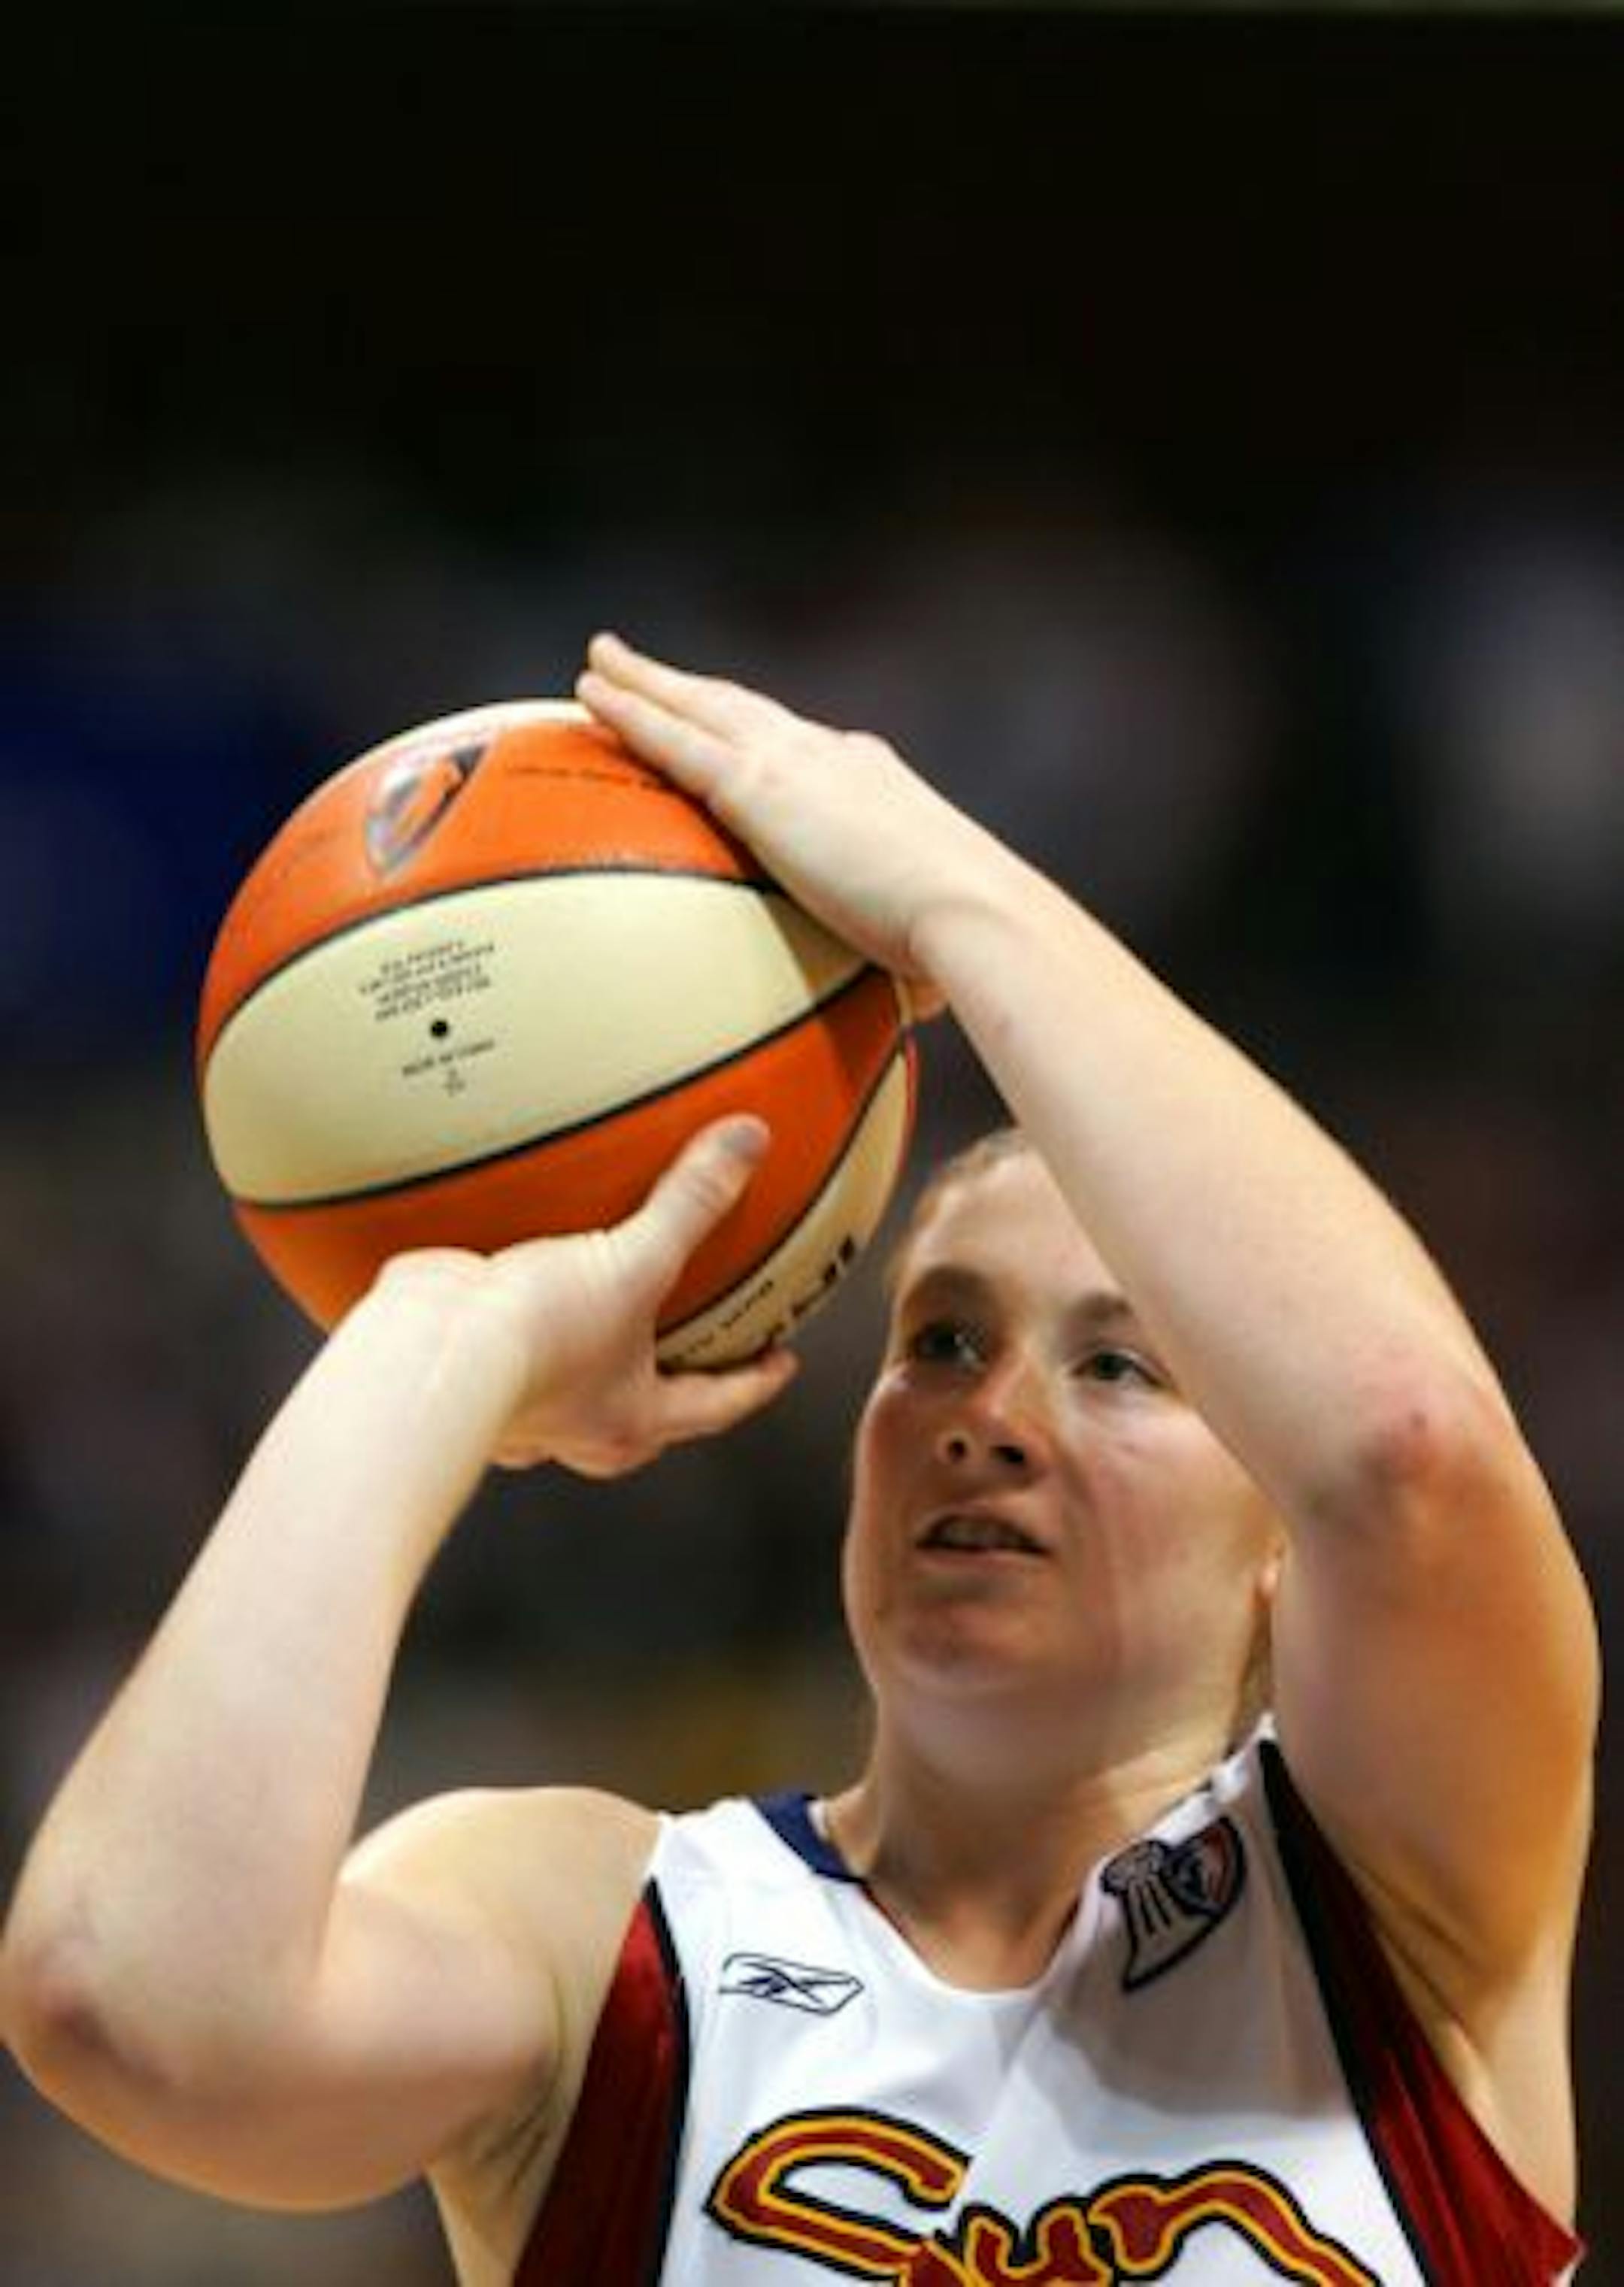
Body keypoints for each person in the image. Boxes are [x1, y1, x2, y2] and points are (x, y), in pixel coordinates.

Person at [0, 635, 1597, 2285]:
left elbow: (1409, 1445)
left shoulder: (1398, 1916)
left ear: (1282, 1531)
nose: (991, 1416)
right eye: (942, 1342)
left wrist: (953, 902)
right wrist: (437, 1342)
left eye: (1119, 1366)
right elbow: (124, 2003)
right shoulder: (603, 1941)